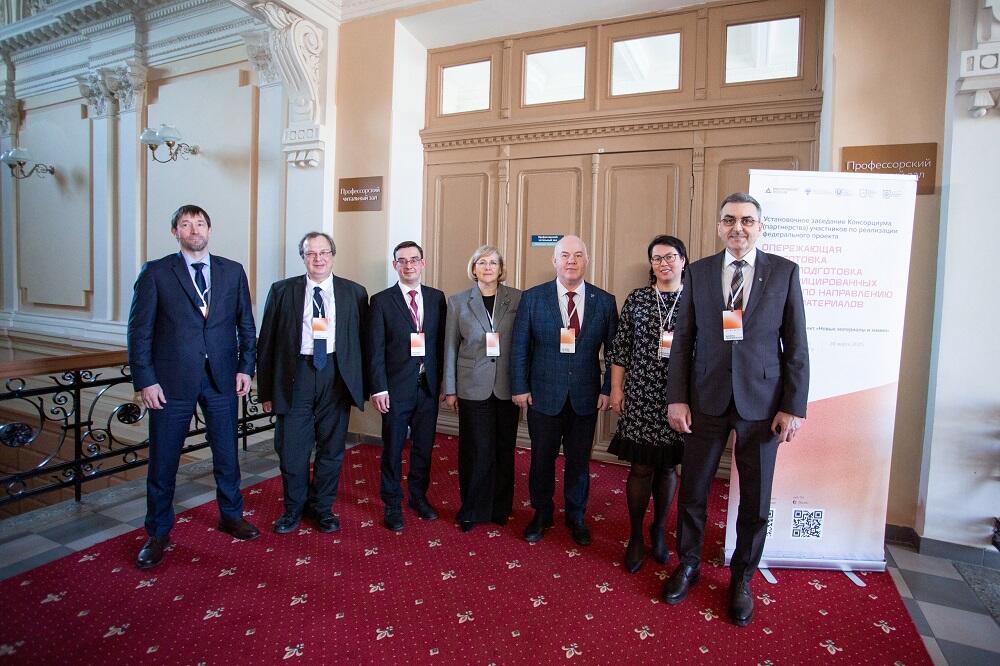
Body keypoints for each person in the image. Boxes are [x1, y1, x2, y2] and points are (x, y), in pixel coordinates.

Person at [662, 192, 809, 627]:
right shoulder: (699, 272)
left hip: (762, 406)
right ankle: (689, 563)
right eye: (729, 220)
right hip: (705, 401)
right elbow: (683, 340)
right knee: (693, 492)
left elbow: (796, 345)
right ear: (719, 226)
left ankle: (743, 577)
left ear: (760, 227)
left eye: (746, 220)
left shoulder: (784, 272)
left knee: (756, 501)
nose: (737, 228)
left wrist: (793, 406)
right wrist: (677, 397)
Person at [127, 204, 258, 570]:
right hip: (170, 383)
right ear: (175, 232)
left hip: (222, 378)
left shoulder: (232, 271)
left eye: (199, 223)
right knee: (164, 461)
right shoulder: (156, 272)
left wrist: (246, 368)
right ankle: (158, 532)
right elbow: (139, 332)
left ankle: (231, 515)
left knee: (227, 455)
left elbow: (246, 325)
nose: (194, 229)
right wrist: (145, 380)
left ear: (209, 230)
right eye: (186, 224)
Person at [256, 232, 369, 535]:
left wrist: (362, 385)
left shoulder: (354, 293)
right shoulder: (282, 291)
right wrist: (266, 391)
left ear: (333, 255)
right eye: (311, 253)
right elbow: (266, 344)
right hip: (296, 376)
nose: (318, 258)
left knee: (331, 449)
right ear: (303, 257)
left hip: (336, 376)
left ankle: (322, 508)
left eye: (324, 252)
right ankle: (293, 508)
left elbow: (363, 343)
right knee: (292, 450)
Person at [510, 235, 618, 545]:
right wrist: (520, 386)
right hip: (543, 394)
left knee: (579, 462)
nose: (572, 261)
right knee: (541, 459)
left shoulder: (604, 301)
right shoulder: (533, 298)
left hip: (586, 396)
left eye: (578, 255)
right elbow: (520, 347)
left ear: (587, 261)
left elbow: (615, 351)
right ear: (554, 261)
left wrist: (608, 388)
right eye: (565, 255)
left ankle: (576, 514)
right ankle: (541, 513)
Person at [608, 235, 687, 573]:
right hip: (640, 394)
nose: (663, 263)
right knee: (640, 468)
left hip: (678, 398)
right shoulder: (638, 298)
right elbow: (620, 349)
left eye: (670, 257)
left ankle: (659, 528)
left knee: (668, 467)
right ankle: (636, 535)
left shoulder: (695, 299)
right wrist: (616, 389)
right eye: (657, 258)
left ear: (683, 260)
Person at [442, 245, 522, 533]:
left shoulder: (517, 299)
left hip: (507, 386)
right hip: (472, 385)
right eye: (482, 262)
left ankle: (500, 507)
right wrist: (450, 388)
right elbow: (450, 347)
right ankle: (472, 509)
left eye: (493, 263)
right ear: (474, 268)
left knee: (504, 449)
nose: (488, 267)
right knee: (475, 450)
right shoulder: (458, 302)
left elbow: (523, 343)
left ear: (501, 270)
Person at [368, 241, 447, 532]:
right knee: (392, 448)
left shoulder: (437, 298)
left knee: (423, 447)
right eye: (402, 260)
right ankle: (391, 502)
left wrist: (444, 382)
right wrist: (379, 388)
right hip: (395, 388)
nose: (409, 265)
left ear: (423, 263)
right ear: (395, 265)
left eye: (414, 259)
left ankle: (418, 497)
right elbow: (375, 348)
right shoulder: (381, 301)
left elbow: (442, 343)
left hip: (427, 386)